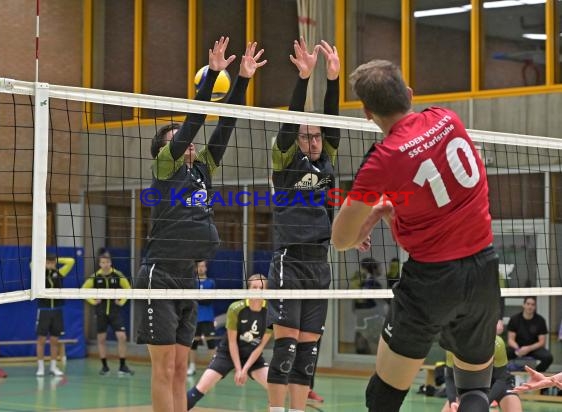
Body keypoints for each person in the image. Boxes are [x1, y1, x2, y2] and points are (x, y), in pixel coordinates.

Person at [331, 59, 500, 412]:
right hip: (484, 268)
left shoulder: (382, 160)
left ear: (366, 112)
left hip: (432, 281)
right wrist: (386, 208)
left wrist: (374, 209)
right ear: (409, 94)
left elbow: (341, 239)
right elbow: (437, 183)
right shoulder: (448, 119)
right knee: (473, 390)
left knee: (383, 397)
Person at [134, 37, 266, 412]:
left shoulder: (202, 170)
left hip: (188, 277)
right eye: (177, 141)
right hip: (159, 276)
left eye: (188, 142)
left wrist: (241, 80)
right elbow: (193, 124)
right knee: (163, 370)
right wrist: (211, 77)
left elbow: (226, 126)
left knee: (180, 370)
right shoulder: (164, 168)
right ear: (164, 150)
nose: (188, 144)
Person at [266, 37, 340, 412]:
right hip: (289, 261)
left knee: (308, 350)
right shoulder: (285, 162)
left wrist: (333, 80)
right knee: (286, 346)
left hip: (319, 262)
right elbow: (290, 123)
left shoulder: (325, 163)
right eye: (306, 136)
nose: (313, 140)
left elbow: (332, 125)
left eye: (316, 136)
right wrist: (305, 79)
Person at [187, 274, 271, 410]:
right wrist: (238, 369)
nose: (257, 290)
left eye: (261, 288)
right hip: (227, 354)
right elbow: (232, 342)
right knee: (200, 389)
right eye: (254, 287)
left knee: (275, 387)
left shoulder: (270, 313)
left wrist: (245, 369)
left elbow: (261, 345)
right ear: (248, 289)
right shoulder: (235, 308)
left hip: (252, 356)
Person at [441, 320, 522, 412]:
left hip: (498, 384)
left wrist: (486, 401)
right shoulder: (454, 344)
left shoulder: (497, 343)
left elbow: (501, 378)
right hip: (469, 387)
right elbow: (449, 377)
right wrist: (452, 401)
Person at [82, 249, 134, 376]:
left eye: (107, 262)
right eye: (102, 262)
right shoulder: (95, 276)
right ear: (100, 264)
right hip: (100, 312)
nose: (105, 264)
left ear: (110, 263)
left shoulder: (117, 275)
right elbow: (83, 290)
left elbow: (128, 288)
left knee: (122, 337)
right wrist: (93, 301)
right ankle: (104, 366)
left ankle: (122, 366)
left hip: (115, 312)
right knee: (101, 338)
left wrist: (121, 301)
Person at [36, 253, 76, 377]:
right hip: (44, 310)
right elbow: (32, 264)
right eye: (49, 262)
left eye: (52, 262)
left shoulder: (59, 273)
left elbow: (71, 261)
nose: (51, 264)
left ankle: (53, 367)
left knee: (55, 340)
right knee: (41, 340)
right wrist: (44, 262)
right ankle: (41, 368)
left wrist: (55, 262)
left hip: (57, 310)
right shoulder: (39, 274)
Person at [506, 296, 553, 372]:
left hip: (533, 349)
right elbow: (510, 340)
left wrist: (528, 348)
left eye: (532, 304)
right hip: (517, 348)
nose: (530, 306)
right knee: (503, 355)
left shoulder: (540, 320)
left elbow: (542, 342)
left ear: (535, 307)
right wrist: (518, 349)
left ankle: (536, 373)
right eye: (528, 304)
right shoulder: (515, 319)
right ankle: (505, 375)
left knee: (548, 357)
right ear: (523, 305)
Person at [188, 260, 218, 377]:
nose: (201, 268)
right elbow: (191, 299)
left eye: (203, 266)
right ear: (196, 269)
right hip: (195, 317)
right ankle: (192, 367)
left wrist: (198, 298)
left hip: (208, 317)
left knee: (211, 342)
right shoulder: (192, 283)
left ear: (206, 268)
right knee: (193, 343)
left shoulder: (211, 283)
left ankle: (212, 368)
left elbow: (209, 300)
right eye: (199, 266)